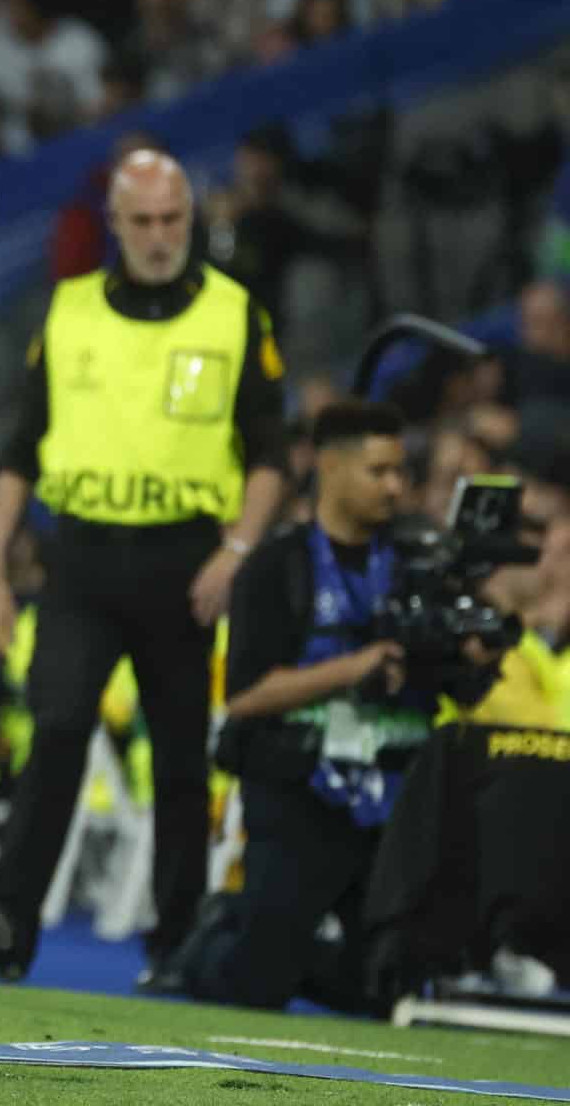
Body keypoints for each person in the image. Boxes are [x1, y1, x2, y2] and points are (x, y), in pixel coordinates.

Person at [0, 148, 289, 988]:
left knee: (183, 759)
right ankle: (11, 921)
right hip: (80, 559)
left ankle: (173, 944)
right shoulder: (69, 311)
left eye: (171, 219)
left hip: (189, 561)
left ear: (193, 217)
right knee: (61, 726)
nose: (157, 236)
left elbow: (270, 458)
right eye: (141, 221)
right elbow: (18, 455)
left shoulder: (235, 315)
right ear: (114, 224)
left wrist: (237, 550)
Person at [183, 401, 502, 1012]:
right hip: (300, 786)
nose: (394, 486)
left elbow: (460, 689)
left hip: (396, 799)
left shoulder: (422, 562)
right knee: (255, 986)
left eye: (400, 471)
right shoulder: (277, 566)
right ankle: (224, 934)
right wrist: (354, 668)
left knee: (387, 994)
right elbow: (246, 695)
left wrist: (474, 661)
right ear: (330, 467)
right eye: (377, 471)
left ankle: (289, 947)